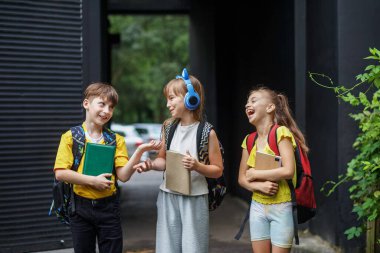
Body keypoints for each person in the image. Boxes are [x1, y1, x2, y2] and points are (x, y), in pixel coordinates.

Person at [54, 82, 161, 253]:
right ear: (86, 104)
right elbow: (60, 173)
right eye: (102, 104)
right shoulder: (71, 137)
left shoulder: (116, 140)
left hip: (109, 208)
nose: (106, 111)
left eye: (111, 107)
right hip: (80, 208)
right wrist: (93, 181)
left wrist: (140, 150)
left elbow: (124, 176)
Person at [133, 69, 224, 253]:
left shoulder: (207, 132)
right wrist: (150, 165)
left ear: (191, 99)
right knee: (166, 248)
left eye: (172, 98)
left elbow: (218, 170)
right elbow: (162, 160)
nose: (168, 104)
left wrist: (197, 166)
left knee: (194, 248)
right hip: (167, 195)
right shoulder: (168, 127)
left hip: (195, 198)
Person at [238, 86, 309, 253]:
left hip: (282, 207)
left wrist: (255, 174)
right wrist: (258, 186)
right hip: (257, 207)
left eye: (254, 100)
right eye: (247, 102)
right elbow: (241, 178)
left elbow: (288, 170)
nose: (248, 104)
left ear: (270, 107)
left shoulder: (281, 133)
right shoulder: (249, 140)